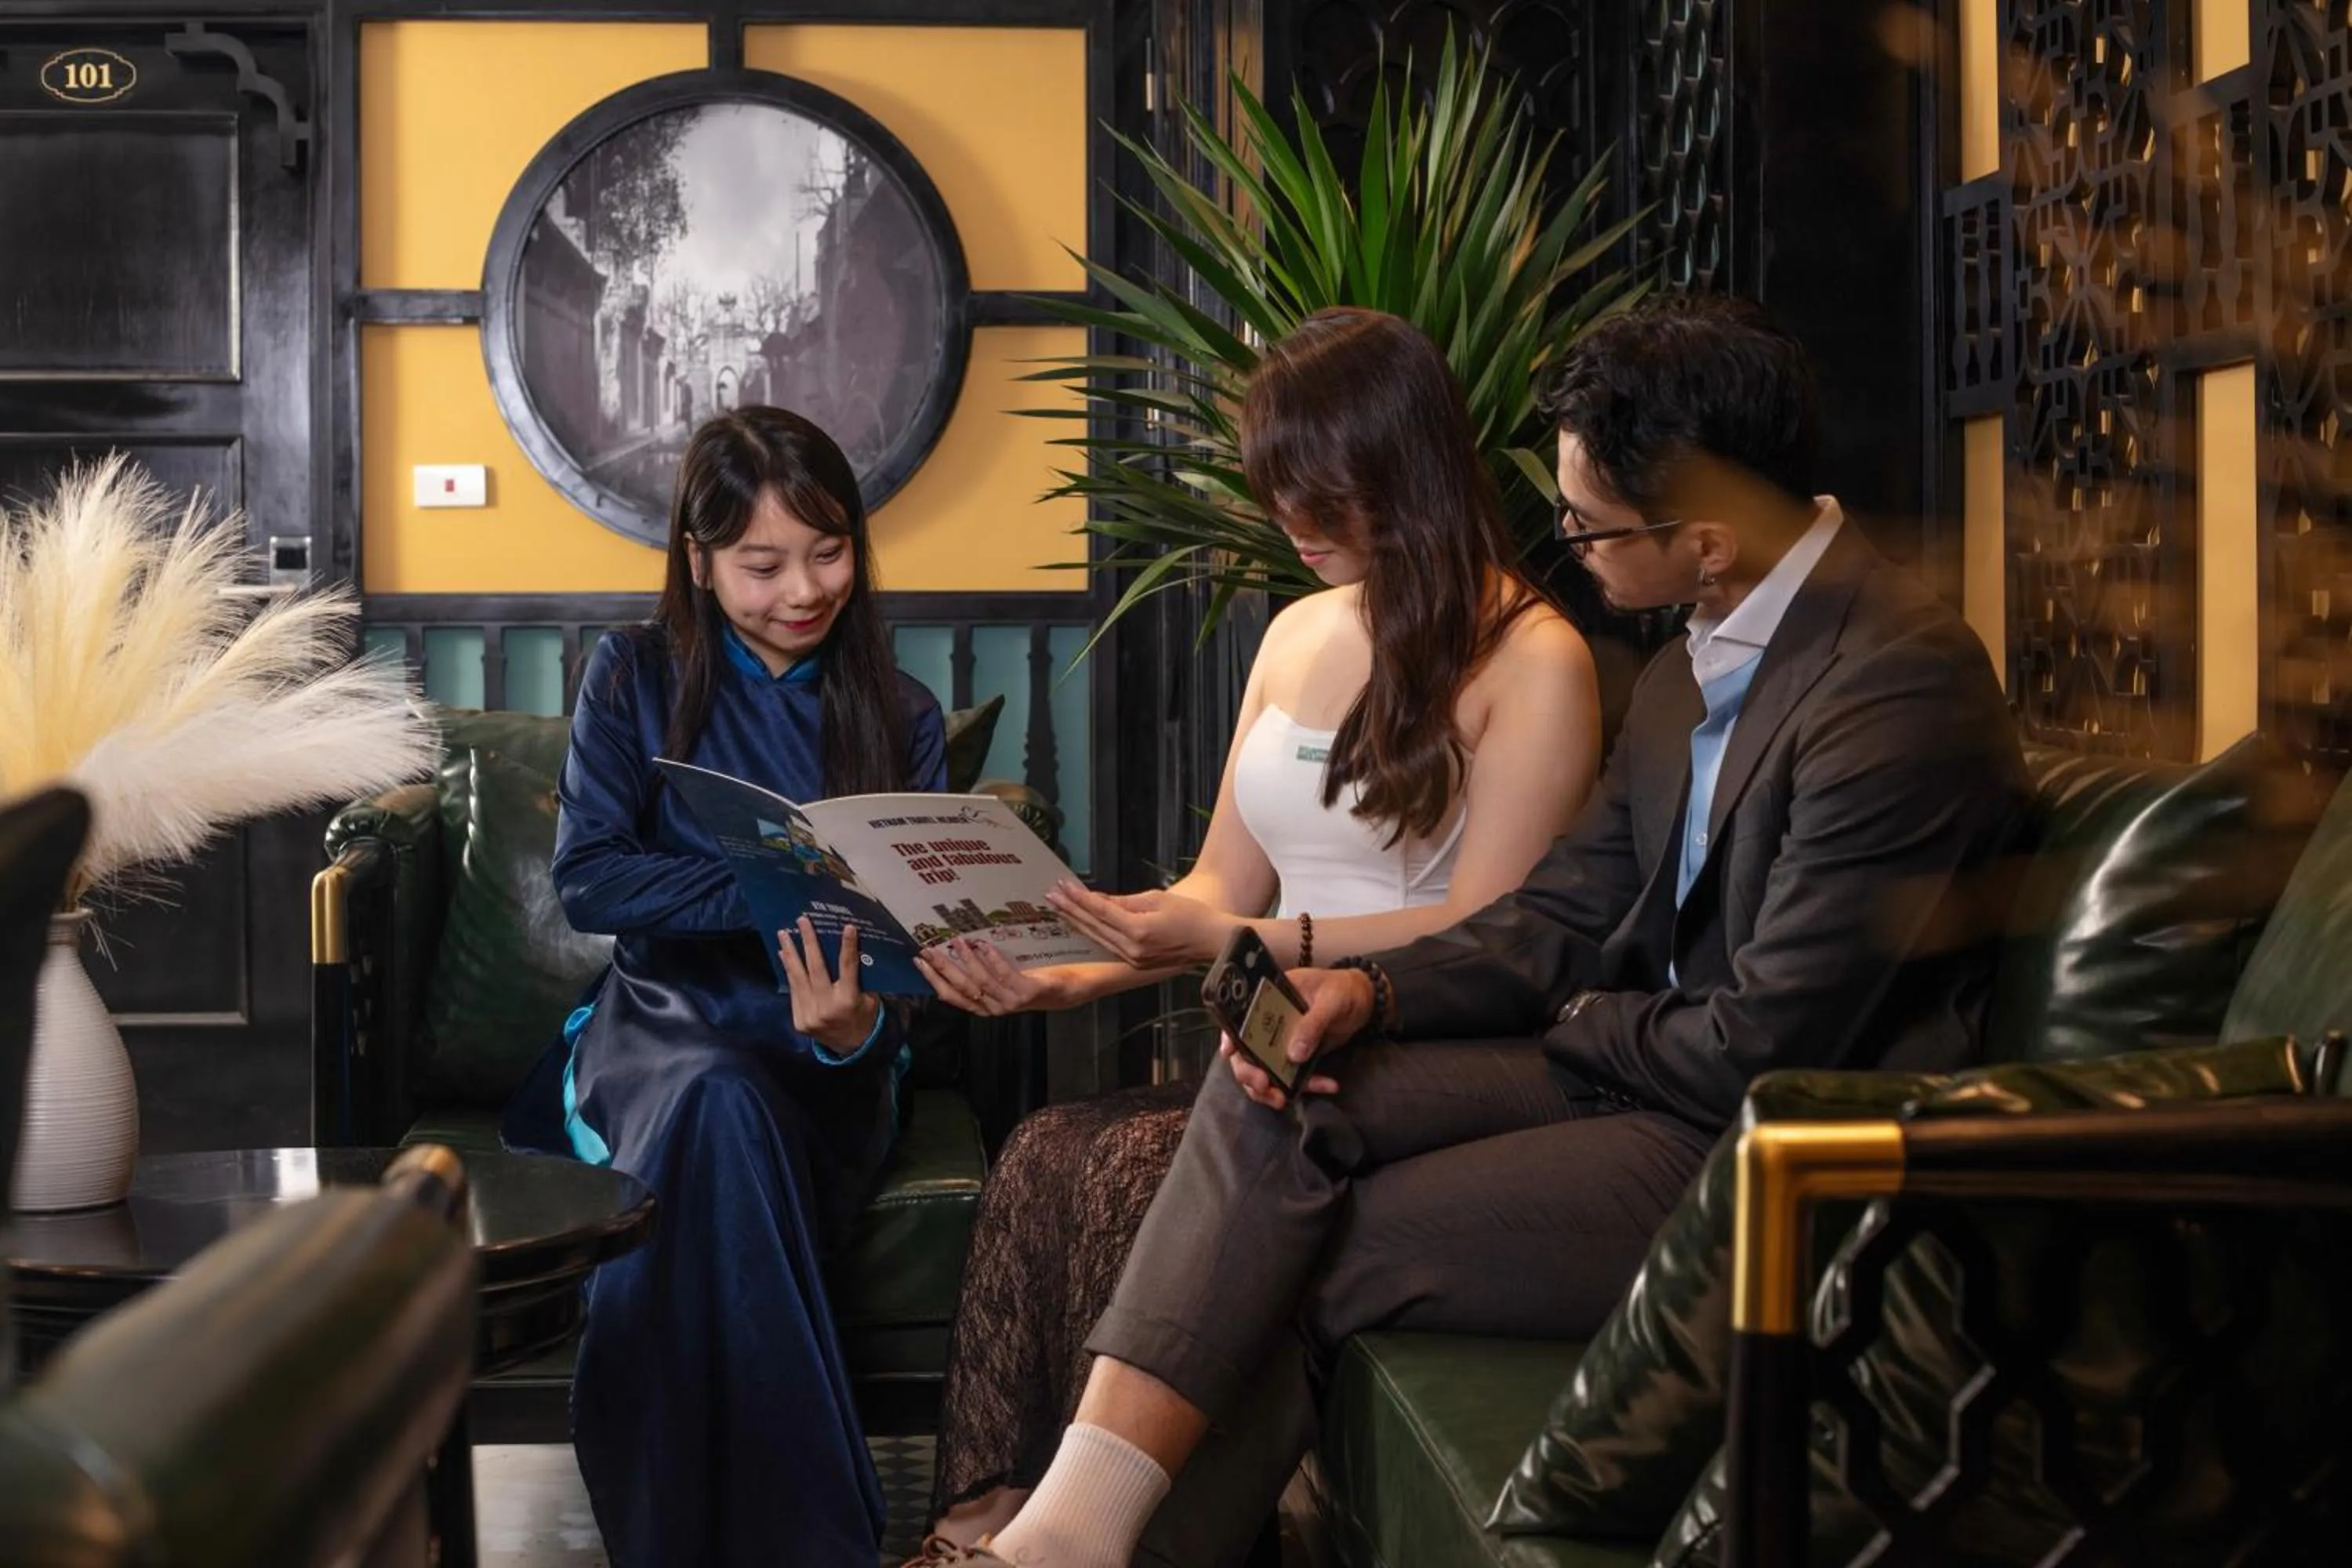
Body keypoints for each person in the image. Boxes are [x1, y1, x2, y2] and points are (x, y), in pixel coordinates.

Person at [913, 295, 2033, 1568]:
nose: (1568, 543)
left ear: (1709, 542)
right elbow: (1553, 917)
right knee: (1278, 1072)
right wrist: (1367, 998)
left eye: (1591, 526)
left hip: (1769, 1150)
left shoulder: (1898, 684)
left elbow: (1763, 1043)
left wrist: (1588, 1022)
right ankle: (1061, 1540)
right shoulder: (1688, 667)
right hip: (1637, 1078)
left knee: (1321, 1248)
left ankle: (1084, 1546)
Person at [910, 307, 1605, 1548]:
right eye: (1274, 482)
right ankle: (986, 1525)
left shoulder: (1533, 655)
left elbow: (1491, 934)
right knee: (1038, 1161)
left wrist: (1241, 948)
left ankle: (1076, 1536)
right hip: (1279, 1022)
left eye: (1316, 486)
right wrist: (1064, 976)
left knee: (1120, 1173)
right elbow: (1217, 883)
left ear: (1407, 466)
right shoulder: (1293, 633)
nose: (1289, 515)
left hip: (1420, 1045)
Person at [548, 407, 947, 1566]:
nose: (802, 590)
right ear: (699, 558)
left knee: (733, 1108)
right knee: (713, 1102)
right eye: (763, 564)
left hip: (828, 1052)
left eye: (829, 553)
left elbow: (907, 950)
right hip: (658, 1032)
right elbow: (589, 879)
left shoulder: (901, 715)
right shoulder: (629, 677)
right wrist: (770, 887)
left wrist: (853, 1031)